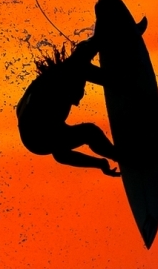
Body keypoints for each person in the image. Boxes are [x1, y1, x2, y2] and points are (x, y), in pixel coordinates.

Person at [16, 35, 120, 176]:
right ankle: (122, 157)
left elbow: (61, 154)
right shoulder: (56, 94)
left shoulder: (60, 80)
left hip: (35, 123)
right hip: (36, 135)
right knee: (90, 132)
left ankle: (107, 37)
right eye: (79, 94)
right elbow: (62, 155)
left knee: (80, 62)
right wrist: (100, 162)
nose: (79, 100)